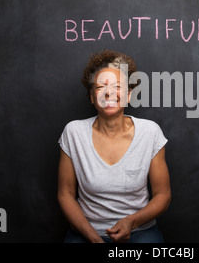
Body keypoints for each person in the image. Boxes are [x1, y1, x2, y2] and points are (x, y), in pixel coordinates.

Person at [57, 50, 171, 243]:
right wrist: (93, 237)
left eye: (117, 86)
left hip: (139, 231)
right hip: (86, 231)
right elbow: (65, 193)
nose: (109, 92)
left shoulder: (150, 133)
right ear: (92, 97)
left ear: (129, 95)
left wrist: (131, 222)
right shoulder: (73, 132)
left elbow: (163, 194)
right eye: (101, 87)